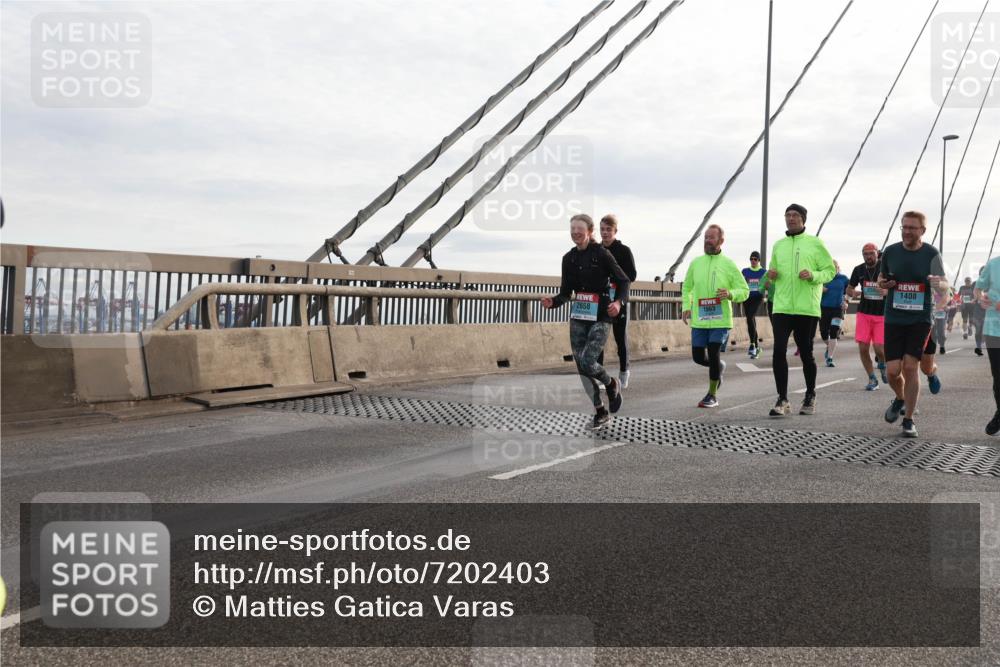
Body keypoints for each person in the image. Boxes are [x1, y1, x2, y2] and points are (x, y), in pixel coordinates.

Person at [541, 214, 630, 430]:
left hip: (601, 314)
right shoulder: (568, 258)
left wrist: (618, 302)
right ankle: (600, 412)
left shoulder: (602, 253)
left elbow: (624, 280)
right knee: (581, 366)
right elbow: (565, 293)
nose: (575, 233)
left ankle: (611, 383)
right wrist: (552, 302)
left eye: (579, 229)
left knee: (589, 361)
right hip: (579, 316)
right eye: (572, 229)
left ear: (590, 232)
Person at [878, 210, 948, 438]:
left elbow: (944, 285)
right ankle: (900, 398)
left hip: (920, 319)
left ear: (923, 231)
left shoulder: (931, 254)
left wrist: (939, 285)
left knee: (911, 367)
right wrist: (884, 284)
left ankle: (908, 420)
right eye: (904, 227)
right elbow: (881, 280)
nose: (907, 231)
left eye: (912, 228)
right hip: (894, 318)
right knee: (892, 372)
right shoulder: (890, 252)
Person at [766, 204, 836, 417]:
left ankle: (810, 395)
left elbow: (830, 270)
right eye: (787, 215)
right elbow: (772, 270)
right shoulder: (779, 245)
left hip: (807, 308)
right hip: (782, 306)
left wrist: (814, 275)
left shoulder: (815, 244)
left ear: (803, 219)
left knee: (806, 352)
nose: (791, 218)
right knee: (778, 350)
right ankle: (782, 399)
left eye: (795, 215)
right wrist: (772, 274)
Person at [681, 224, 749, 408]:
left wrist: (730, 294)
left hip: (720, 320)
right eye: (705, 238)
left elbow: (744, 290)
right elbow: (687, 287)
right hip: (700, 319)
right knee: (697, 357)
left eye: (711, 237)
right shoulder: (696, 263)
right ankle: (718, 366)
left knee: (713, 351)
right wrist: (687, 305)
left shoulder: (728, 264)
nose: (707, 241)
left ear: (721, 241)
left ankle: (712, 395)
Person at [596, 214, 637, 389]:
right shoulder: (595, 250)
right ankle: (600, 377)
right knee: (598, 339)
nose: (605, 233)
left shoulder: (624, 250)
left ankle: (624, 372)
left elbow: (632, 275)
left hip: (619, 298)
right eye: (602, 229)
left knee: (620, 338)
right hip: (600, 300)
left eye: (608, 230)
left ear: (615, 231)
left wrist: (615, 276)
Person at [847, 243, 888, 390]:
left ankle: (882, 365)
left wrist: (887, 292)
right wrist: (853, 293)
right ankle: (872, 379)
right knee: (863, 349)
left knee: (879, 349)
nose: (868, 256)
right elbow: (850, 288)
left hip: (881, 314)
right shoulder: (858, 270)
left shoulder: (885, 267)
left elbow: (896, 286)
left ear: (877, 253)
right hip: (864, 313)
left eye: (871, 253)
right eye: (865, 254)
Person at [975, 257, 1000, 435]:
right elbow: (978, 289)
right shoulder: (993, 264)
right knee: (998, 376)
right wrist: (980, 299)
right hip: (994, 330)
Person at [819, 261, 849, 367]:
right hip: (823, 308)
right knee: (823, 334)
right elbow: (811, 288)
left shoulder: (844, 279)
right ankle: (830, 346)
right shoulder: (822, 278)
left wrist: (846, 302)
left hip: (838, 309)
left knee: (834, 331)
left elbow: (850, 291)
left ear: (838, 267)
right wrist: (819, 289)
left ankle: (830, 358)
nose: (833, 269)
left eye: (835, 267)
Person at [742, 251, 767, 359]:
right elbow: (740, 283)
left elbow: (767, 284)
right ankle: (756, 347)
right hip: (747, 298)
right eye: (751, 259)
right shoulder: (745, 271)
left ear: (759, 260)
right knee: (749, 320)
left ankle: (752, 345)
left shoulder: (763, 272)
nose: (753, 261)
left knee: (750, 316)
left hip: (757, 297)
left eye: (755, 259)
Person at [973, 266, 986, 356]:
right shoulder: (976, 283)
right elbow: (974, 293)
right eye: (982, 272)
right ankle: (978, 347)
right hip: (978, 308)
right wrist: (975, 299)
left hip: (991, 309)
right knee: (978, 329)